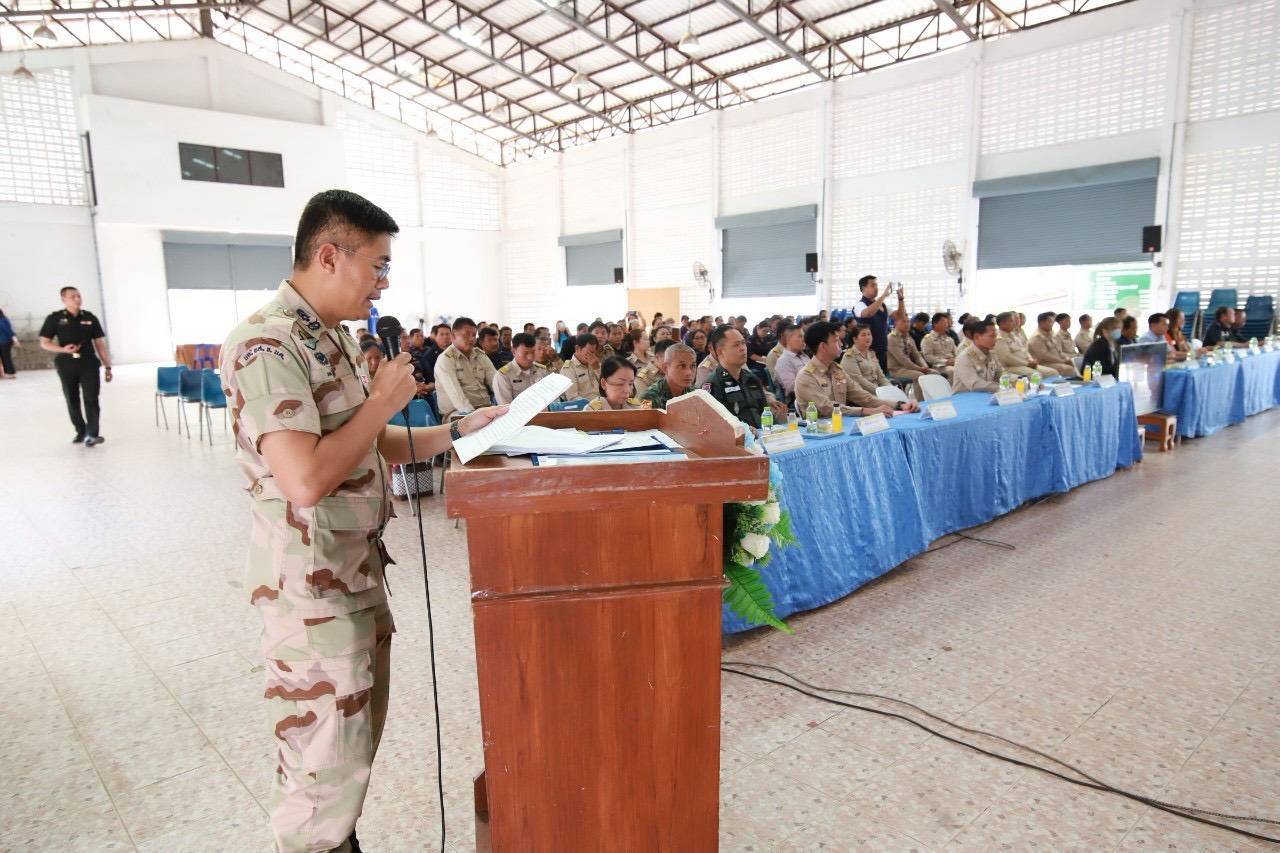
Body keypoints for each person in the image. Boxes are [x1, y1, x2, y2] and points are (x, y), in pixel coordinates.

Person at [218, 189, 506, 853]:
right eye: (376, 266)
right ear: (328, 255)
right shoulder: (264, 345)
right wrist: (380, 402)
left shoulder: (332, 340)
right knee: (321, 779)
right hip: (311, 593)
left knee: (348, 764)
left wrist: (463, 428)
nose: (383, 283)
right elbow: (307, 477)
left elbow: (373, 445)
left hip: (355, 573)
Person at [39, 286, 112, 446]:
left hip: (88, 363)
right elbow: (44, 342)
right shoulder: (55, 318)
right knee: (72, 398)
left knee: (91, 397)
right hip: (66, 363)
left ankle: (92, 434)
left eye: (79, 296)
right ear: (63, 299)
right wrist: (62, 349)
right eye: (73, 296)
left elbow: (99, 344)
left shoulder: (90, 318)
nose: (77, 299)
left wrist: (108, 367)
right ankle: (81, 430)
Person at [793, 322, 906, 418]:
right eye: (836, 341)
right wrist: (866, 411)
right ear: (823, 346)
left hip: (842, 425)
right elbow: (826, 408)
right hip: (819, 434)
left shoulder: (837, 370)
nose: (841, 344)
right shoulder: (806, 376)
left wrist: (898, 405)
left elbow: (862, 397)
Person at [702, 325, 787, 429]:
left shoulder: (752, 379)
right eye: (736, 345)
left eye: (743, 343)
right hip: (738, 441)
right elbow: (716, 425)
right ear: (720, 351)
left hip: (763, 436)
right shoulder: (713, 384)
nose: (743, 348)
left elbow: (765, 414)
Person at [435, 316, 497, 419]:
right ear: (453, 336)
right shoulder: (445, 360)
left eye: (474, 335)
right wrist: (474, 417)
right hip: (457, 414)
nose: (472, 338)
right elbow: (457, 397)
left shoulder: (480, 355)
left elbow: (496, 383)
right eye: (466, 334)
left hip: (484, 409)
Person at [856, 275, 900, 371]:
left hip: (883, 348)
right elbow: (867, 313)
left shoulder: (882, 305)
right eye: (873, 285)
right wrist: (884, 295)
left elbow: (899, 317)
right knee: (872, 380)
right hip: (868, 351)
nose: (876, 288)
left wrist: (901, 299)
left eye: (877, 285)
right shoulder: (860, 305)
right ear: (863, 288)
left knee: (882, 379)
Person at [994, 311, 1058, 377]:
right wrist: (1027, 363)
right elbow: (1007, 358)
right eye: (1011, 321)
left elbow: (1024, 350)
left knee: (1052, 372)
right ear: (1002, 323)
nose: (1015, 323)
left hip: (1025, 364)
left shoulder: (1014, 335)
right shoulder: (999, 338)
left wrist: (1031, 360)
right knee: (1036, 375)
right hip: (1011, 367)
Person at [492, 332, 549, 405]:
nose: (530, 357)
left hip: (545, 414)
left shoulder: (542, 370)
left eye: (533, 352)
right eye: (525, 353)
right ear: (513, 351)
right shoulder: (503, 376)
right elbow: (505, 408)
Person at [886, 312, 937, 393]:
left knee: (935, 373)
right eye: (903, 321)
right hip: (897, 370)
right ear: (896, 323)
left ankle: (933, 399)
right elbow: (902, 359)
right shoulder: (891, 338)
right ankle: (921, 403)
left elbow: (917, 355)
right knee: (919, 376)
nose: (907, 324)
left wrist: (924, 366)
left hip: (911, 368)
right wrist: (919, 369)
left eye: (908, 321)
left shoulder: (908, 336)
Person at [641, 341, 695, 408]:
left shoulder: (696, 395)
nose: (689, 373)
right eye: (682, 366)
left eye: (692, 366)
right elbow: (642, 418)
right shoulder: (648, 398)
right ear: (666, 368)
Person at [952, 319, 1002, 392]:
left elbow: (1001, 374)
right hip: (965, 398)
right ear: (976, 337)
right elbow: (975, 385)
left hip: (987, 394)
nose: (995, 339)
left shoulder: (991, 354)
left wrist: (1016, 380)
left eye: (996, 336)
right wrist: (1001, 388)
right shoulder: (964, 357)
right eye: (992, 336)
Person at [840, 324, 891, 394]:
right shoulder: (849, 356)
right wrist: (881, 391)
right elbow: (859, 381)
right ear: (855, 339)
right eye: (863, 335)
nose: (868, 337)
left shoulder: (871, 354)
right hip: (863, 395)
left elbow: (881, 377)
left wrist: (890, 389)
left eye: (869, 334)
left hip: (877, 391)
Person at [586, 356, 651, 410]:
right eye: (620, 384)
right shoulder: (592, 410)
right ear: (603, 383)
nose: (627, 390)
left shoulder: (637, 406)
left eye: (630, 384)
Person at [1028, 311, 1077, 376]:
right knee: (1068, 369)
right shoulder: (1037, 337)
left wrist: (1066, 358)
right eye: (1049, 321)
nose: (1052, 324)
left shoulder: (1051, 335)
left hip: (1056, 361)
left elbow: (1059, 351)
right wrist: (1062, 361)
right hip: (1045, 363)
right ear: (1041, 323)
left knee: (1075, 363)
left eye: (1052, 322)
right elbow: (1044, 356)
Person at [560, 333, 602, 400]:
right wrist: (594, 406)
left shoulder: (595, 362)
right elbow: (573, 398)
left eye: (593, 352)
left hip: (602, 401)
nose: (592, 356)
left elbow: (606, 386)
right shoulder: (568, 368)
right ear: (577, 348)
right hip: (585, 407)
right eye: (589, 352)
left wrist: (597, 368)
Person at [772, 323, 809, 400]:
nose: (804, 339)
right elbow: (791, 388)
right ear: (789, 339)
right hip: (800, 400)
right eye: (800, 336)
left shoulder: (804, 356)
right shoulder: (784, 361)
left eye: (803, 336)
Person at [921, 313, 957, 379]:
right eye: (944, 322)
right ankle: (952, 389)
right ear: (935, 324)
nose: (947, 324)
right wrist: (945, 361)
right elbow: (928, 357)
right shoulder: (928, 339)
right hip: (939, 366)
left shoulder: (949, 339)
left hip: (953, 363)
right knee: (953, 371)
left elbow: (956, 353)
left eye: (947, 322)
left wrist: (955, 360)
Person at [627, 329, 660, 397]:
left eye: (648, 339)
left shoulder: (654, 357)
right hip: (640, 396)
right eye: (645, 339)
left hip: (658, 392)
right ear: (635, 342)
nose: (649, 341)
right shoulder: (628, 363)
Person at [0, 308, 18, 378]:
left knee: (6, 358)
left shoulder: (3, 320)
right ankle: (4, 373)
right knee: (3, 358)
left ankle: (10, 373)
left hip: (5, 342)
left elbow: (9, 331)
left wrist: (15, 340)